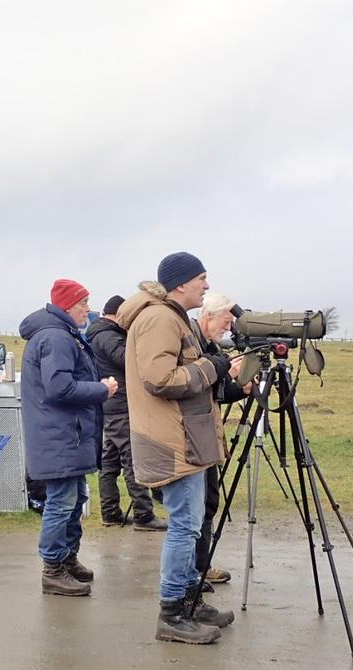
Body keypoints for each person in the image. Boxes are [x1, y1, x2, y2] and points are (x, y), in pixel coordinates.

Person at [117, 252, 235, 644]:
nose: (207, 284)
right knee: (184, 526)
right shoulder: (159, 318)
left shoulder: (171, 316)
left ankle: (189, 602)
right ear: (181, 283)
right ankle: (172, 613)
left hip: (184, 435)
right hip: (172, 440)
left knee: (191, 521)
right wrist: (214, 367)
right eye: (202, 278)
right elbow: (160, 378)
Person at [19, 279, 118, 597]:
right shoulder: (56, 338)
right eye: (83, 304)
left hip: (66, 435)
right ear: (66, 306)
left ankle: (67, 558)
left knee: (74, 500)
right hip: (59, 436)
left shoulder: (61, 335)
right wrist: (102, 390)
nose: (88, 310)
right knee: (61, 503)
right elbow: (59, 387)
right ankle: (52, 568)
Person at [86, 294, 166, 531]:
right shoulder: (108, 336)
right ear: (118, 315)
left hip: (112, 405)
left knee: (109, 461)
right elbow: (128, 360)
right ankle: (143, 515)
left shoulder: (101, 334)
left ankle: (110, 512)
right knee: (133, 460)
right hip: (121, 405)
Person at [192, 292, 254, 587]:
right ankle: (193, 572)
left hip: (207, 431)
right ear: (209, 316)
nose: (229, 329)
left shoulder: (211, 345)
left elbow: (217, 394)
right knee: (197, 506)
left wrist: (241, 389)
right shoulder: (193, 344)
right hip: (193, 435)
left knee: (209, 501)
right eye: (226, 322)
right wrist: (225, 369)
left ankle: (200, 566)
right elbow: (195, 384)